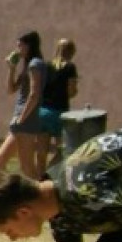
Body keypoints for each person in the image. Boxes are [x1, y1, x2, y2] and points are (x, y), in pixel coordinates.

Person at [0, 31, 47, 179]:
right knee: (25, 167)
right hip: (22, 121)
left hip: (24, 122)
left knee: (0, 162)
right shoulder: (28, 65)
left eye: (20, 45)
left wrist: (21, 119)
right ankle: (40, 196)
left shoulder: (35, 64)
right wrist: (11, 69)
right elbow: (10, 89)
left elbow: (34, 94)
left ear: (28, 46)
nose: (17, 49)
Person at [38, 38, 79, 170]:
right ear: (71, 52)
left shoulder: (46, 66)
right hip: (60, 112)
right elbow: (71, 92)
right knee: (62, 149)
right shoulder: (70, 67)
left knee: (41, 150)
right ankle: (51, 172)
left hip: (43, 111)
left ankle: (40, 177)